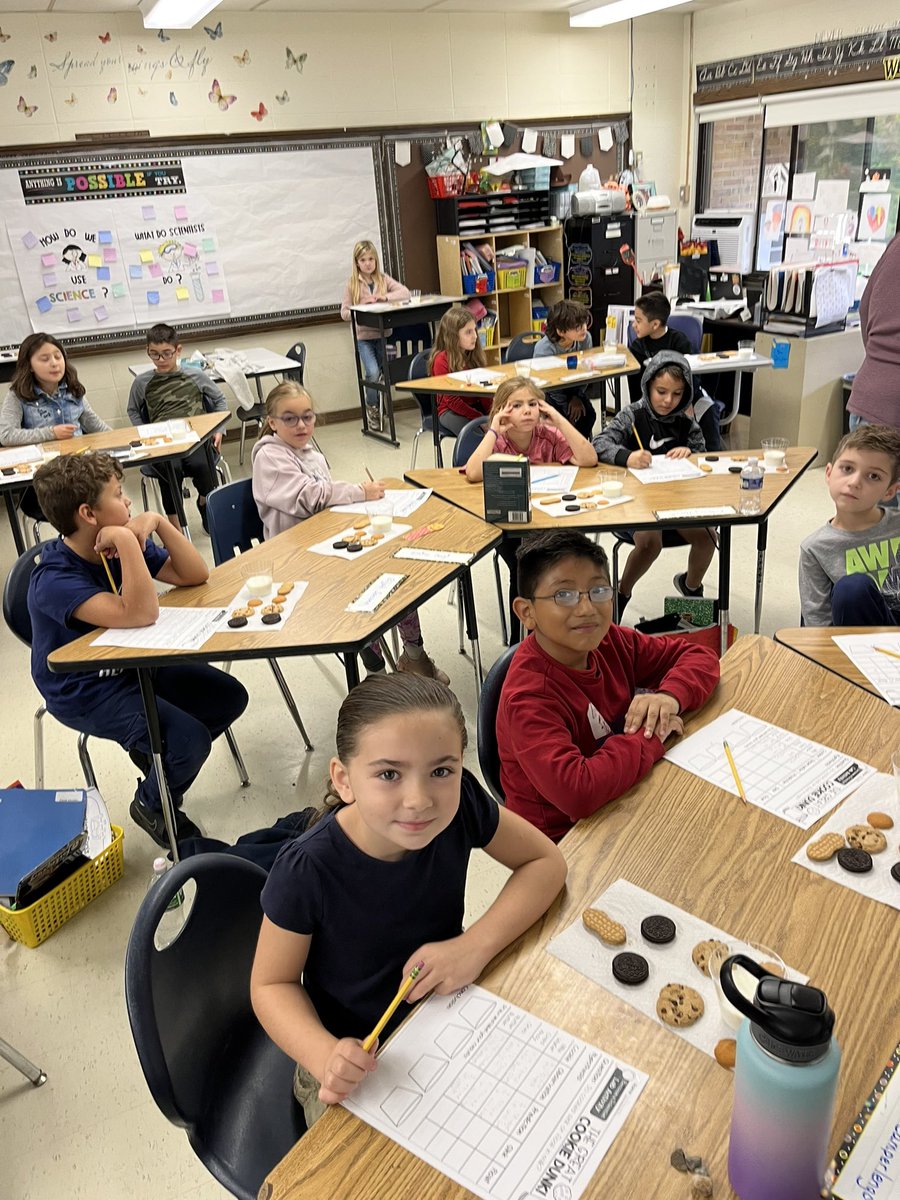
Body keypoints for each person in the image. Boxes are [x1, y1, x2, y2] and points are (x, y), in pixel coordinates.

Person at [250, 673, 566, 1127]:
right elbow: (270, 985)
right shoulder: (306, 870)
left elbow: (545, 862)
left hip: (445, 1011)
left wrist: (471, 947)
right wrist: (323, 1055)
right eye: (388, 774)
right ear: (344, 779)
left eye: (441, 771)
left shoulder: (461, 806)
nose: (418, 801)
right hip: (353, 1055)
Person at [27, 453, 248, 847]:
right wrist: (129, 540)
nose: (128, 502)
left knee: (229, 697)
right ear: (88, 513)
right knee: (189, 742)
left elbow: (194, 574)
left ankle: (159, 767)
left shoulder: (117, 542)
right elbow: (141, 612)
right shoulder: (55, 578)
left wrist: (158, 522)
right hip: (85, 689)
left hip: (135, 665)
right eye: (118, 494)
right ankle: (152, 801)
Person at [496, 530, 719, 842]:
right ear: (527, 612)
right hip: (562, 841)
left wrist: (669, 697)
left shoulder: (610, 640)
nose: (587, 609)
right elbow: (577, 793)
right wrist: (650, 734)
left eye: (599, 591)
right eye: (564, 595)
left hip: (620, 797)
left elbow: (699, 656)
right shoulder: (529, 696)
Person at [252, 380, 449, 682]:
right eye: (290, 418)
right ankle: (377, 673)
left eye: (308, 416)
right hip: (295, 559)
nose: (301, 424)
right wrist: (358, 491)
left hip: (328, 545)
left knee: (395, 571)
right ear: (272, 422)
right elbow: (310, 498)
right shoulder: (269, 456)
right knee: (363, 589)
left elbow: (326, 503)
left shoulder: (312, 455)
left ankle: (414, 654)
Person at [463, 376, 597, 641]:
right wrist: (492, 431)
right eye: (516, 405)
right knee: (524, 562)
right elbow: (472, 472)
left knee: (568, 557)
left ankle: (561, 626)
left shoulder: (547, 435)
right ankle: (520, 642)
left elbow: (588, 458)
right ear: (501, 411)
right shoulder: (497, 441)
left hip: (549, 520)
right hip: (510, 526)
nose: (526, 410)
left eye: (532, 404)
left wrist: (558, 419)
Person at [593, 351, 715, 616]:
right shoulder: (633, 414)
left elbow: (703, 455)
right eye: (661, 391)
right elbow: (599, 444)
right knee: (650, 542)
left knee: (708, 537)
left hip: (676, 501)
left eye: (677, 394)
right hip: (635, 502)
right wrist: (627, 456)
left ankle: (690, 588)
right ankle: (622, 592)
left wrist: (690, 454)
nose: (668, 400)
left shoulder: (685, 420)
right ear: (648, 384)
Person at [127, 322, 228, 532]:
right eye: (154, 355)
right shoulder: (142, 382)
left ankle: (204, 502)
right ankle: (176, 530)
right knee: (169, 474)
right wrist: (145, 433)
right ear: (147, 352)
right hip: (163, 442)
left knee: (203, 466)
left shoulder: (196, 376)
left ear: (178, 350)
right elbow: (133, 410)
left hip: (196, 438)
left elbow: (220, 401)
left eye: (166, 353)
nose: (161, 360)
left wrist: (219, 430)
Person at [0, 332, 111, 522]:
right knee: (96, 505)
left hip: (81, 471)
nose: (54, 363)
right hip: (46, 481)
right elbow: (6, 435)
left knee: (111, 496)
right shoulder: (17, 395)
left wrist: (120, 440)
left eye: (58, 357)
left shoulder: (73, 390)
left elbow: (96, 426)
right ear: (30, 366)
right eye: (44, 359)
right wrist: (50, 433)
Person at [799, 425, 900, 626]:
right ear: (828, 473)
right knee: (852, 588)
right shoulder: (815, 548)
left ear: (890, 491)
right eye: (847, 469)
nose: (854, 482)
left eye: (873, 476)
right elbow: (818, 623)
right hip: (855, 643)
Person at [627, 291, 721, 449]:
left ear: (655, 324)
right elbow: (636, 389)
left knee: (708, 408)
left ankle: (710, 455)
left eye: (638, 320)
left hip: (684, 397)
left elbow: (693, 376)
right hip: (654, 401)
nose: (633, 325)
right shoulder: (637, 347)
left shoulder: (680, 342)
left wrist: (687, 401)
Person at [340, 239, 409, 434]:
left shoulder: (382, 279)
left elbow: (405, 292)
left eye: (371, 259)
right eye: (363, 260)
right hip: (363, 337)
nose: (368, 263)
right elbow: (344, 312)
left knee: (383, 374)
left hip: (382, 334)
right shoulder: (352, 284)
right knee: (371, 372)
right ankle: (373, 408)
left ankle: (380, 406)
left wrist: (384, 297)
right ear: (357, 263)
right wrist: (360, 308)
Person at [846, 231, 900, 434]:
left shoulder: (896, 244)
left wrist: (878, 358)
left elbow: (865, 307)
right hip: (892, 414)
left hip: (867, 397)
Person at [533, 300, 596, 440]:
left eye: (584, 323)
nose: (584, 329)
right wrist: (567, 406)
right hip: (549, 392)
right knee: (566, 420)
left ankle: (580, 447)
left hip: (574, 388)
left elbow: (587, 373)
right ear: (561, 331)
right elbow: (548, 385)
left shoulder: (585, 339)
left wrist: (577, 397)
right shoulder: (544, 349)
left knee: (589, 415)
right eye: (577, 327)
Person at [428, 305, 490, 436]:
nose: (475, 336)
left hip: (475, 408)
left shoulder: (473, 355)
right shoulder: (441, 360)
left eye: (475, 330)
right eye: (468, 332)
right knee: (476, 436)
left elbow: (484, 390)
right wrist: (478, 418)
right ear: (453, 336)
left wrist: (493, 414)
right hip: (450, 411)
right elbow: (452, 401)